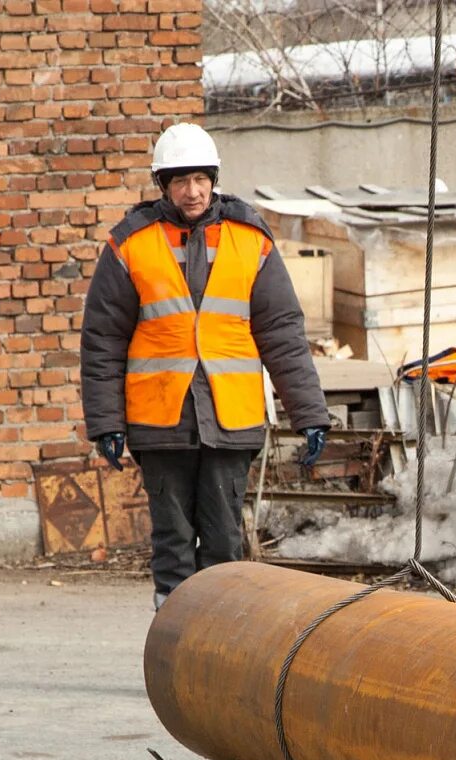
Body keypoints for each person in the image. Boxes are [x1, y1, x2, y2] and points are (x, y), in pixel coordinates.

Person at [81, 122, 330, 610]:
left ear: (213, 180)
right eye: (179, 181)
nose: (191, 192)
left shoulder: (250, 239)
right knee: (173, 543)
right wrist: (105, 423)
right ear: (162, 185)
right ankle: (174, 645)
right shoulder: (130, 243)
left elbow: (282, 333)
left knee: (223, 545)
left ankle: (221, 651)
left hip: (230, 420)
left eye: (199, 179)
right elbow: (103, 340)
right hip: (160, 419)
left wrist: (311, 414)